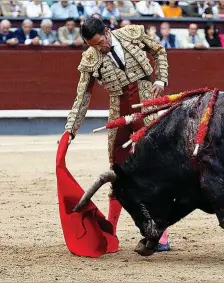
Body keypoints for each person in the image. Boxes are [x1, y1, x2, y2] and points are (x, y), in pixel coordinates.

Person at [63, 18, 171, 252]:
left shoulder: (132, 33)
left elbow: (159, 50)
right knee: (117, 168)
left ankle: (161, 231)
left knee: (154, 166)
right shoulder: (90, 58)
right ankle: (111, 229)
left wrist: (161, 79)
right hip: (118, 105)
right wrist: (71, 128)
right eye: (93, 45)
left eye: (100, 42)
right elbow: (82, 95)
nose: (99, 48)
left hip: (146, 99)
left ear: (108, 32)